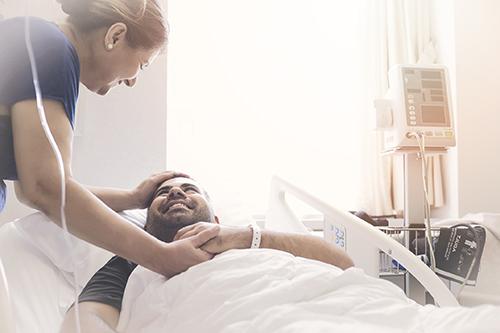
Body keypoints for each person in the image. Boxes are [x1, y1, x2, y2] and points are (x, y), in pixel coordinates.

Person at [0, 0, 216, 277]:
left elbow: (33, 186)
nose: (132, 81)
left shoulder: (43, 45)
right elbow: (46, 188)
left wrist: (133, 198)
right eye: (143, 64)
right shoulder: (50, 49)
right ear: (115, 36)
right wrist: (161, 257)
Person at [60, 176, 354, 332]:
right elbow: (86, 320)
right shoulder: (135, 259)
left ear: (216, 219)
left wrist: (244, 237)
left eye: (189, 189)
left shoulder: (252, 240)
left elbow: (344, 264)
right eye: (163, 193)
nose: (176, 193)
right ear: (146, 228)